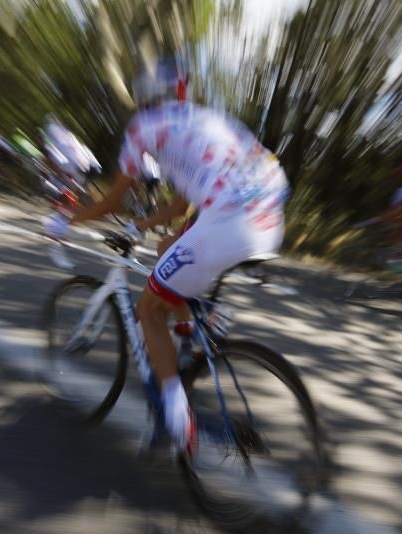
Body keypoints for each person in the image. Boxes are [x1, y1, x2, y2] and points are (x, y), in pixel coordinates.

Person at [44, 56, 290, 453]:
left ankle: (177, 421)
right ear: (180, 91)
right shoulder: (206, 119)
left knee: (148, 311)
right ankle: (199, 326)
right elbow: (182, 204)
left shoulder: (145, 126)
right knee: (169, 253)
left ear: (144, 99)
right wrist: (144, 229)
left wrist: (66, 221)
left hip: (228, 221)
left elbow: (111, 201)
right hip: (269, 216)